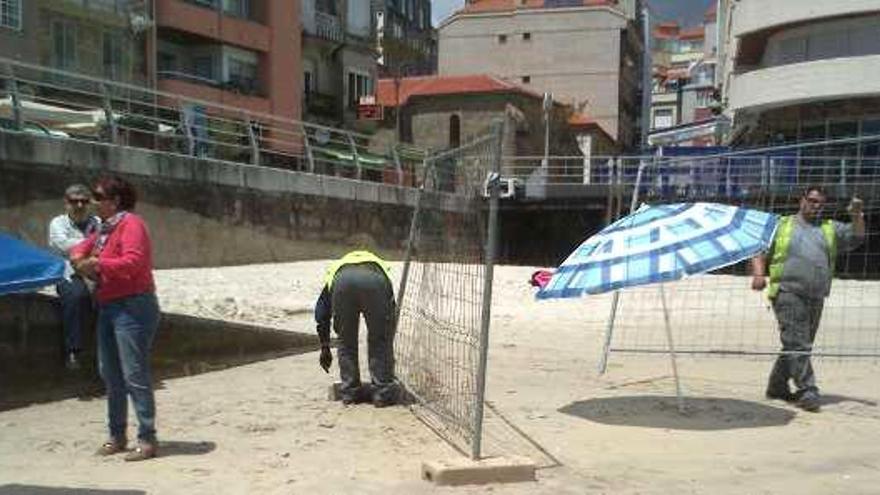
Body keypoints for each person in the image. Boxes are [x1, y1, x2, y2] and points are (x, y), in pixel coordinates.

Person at [751, 186, 865, 412]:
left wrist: (856, 215)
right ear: (801, 201)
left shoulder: (829, 228)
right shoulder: (782, 225)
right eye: (812, 201)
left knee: (797, 344)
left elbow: (857, 237)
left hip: (816, 294)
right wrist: (758, 274)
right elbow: (760, 249)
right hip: (786, 291)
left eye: (820, 203)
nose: (816, 206)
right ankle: (807, 390)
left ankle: (776, 387)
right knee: (798, 342)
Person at [70, 176, 160, 461]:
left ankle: (147, 438)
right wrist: (79, 257)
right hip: (109, 305)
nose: (92, 202)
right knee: (110, 372)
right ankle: (117, 435)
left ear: (115, 201)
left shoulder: (131, 224)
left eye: (97, 197)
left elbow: (134, 262)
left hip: (133, 305)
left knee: (134, 374)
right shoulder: (105, 229)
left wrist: (97, 263)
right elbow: (81, 248)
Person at [315, 250, 398, 407]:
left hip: (342, 283)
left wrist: (324, 346)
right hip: (375, 281)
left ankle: (349, 393)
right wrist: (387, 342)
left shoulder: (336, 269)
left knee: (345, 342)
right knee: (379, 340)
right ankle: (382, 393)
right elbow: (390, 313)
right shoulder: (379, 265)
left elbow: (321, 312)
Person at [47, 184, 100, 370]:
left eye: (84, 201)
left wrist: (85, 248)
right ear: (66, 203)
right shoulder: (57, 223)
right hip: (68, 272)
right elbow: (61, 244)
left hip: (94, 271)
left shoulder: (98, 222)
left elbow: (108, 245)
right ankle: (73, 350)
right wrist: (93, 244)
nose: (79, 205)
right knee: (77, 297)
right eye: (74, 201)